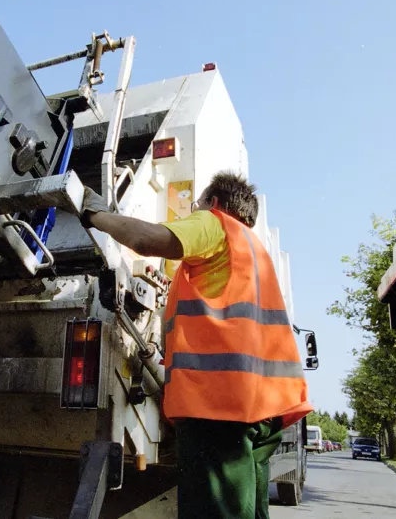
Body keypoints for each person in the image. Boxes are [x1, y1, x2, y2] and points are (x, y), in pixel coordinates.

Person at [81, 171, 313, 519]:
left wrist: (95, 214)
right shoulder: (254, 252)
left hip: (219, 408)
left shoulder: (216, 225)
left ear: (215, 204)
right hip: (264, 411)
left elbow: (146, 240)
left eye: (197, 205)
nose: (194, 212)